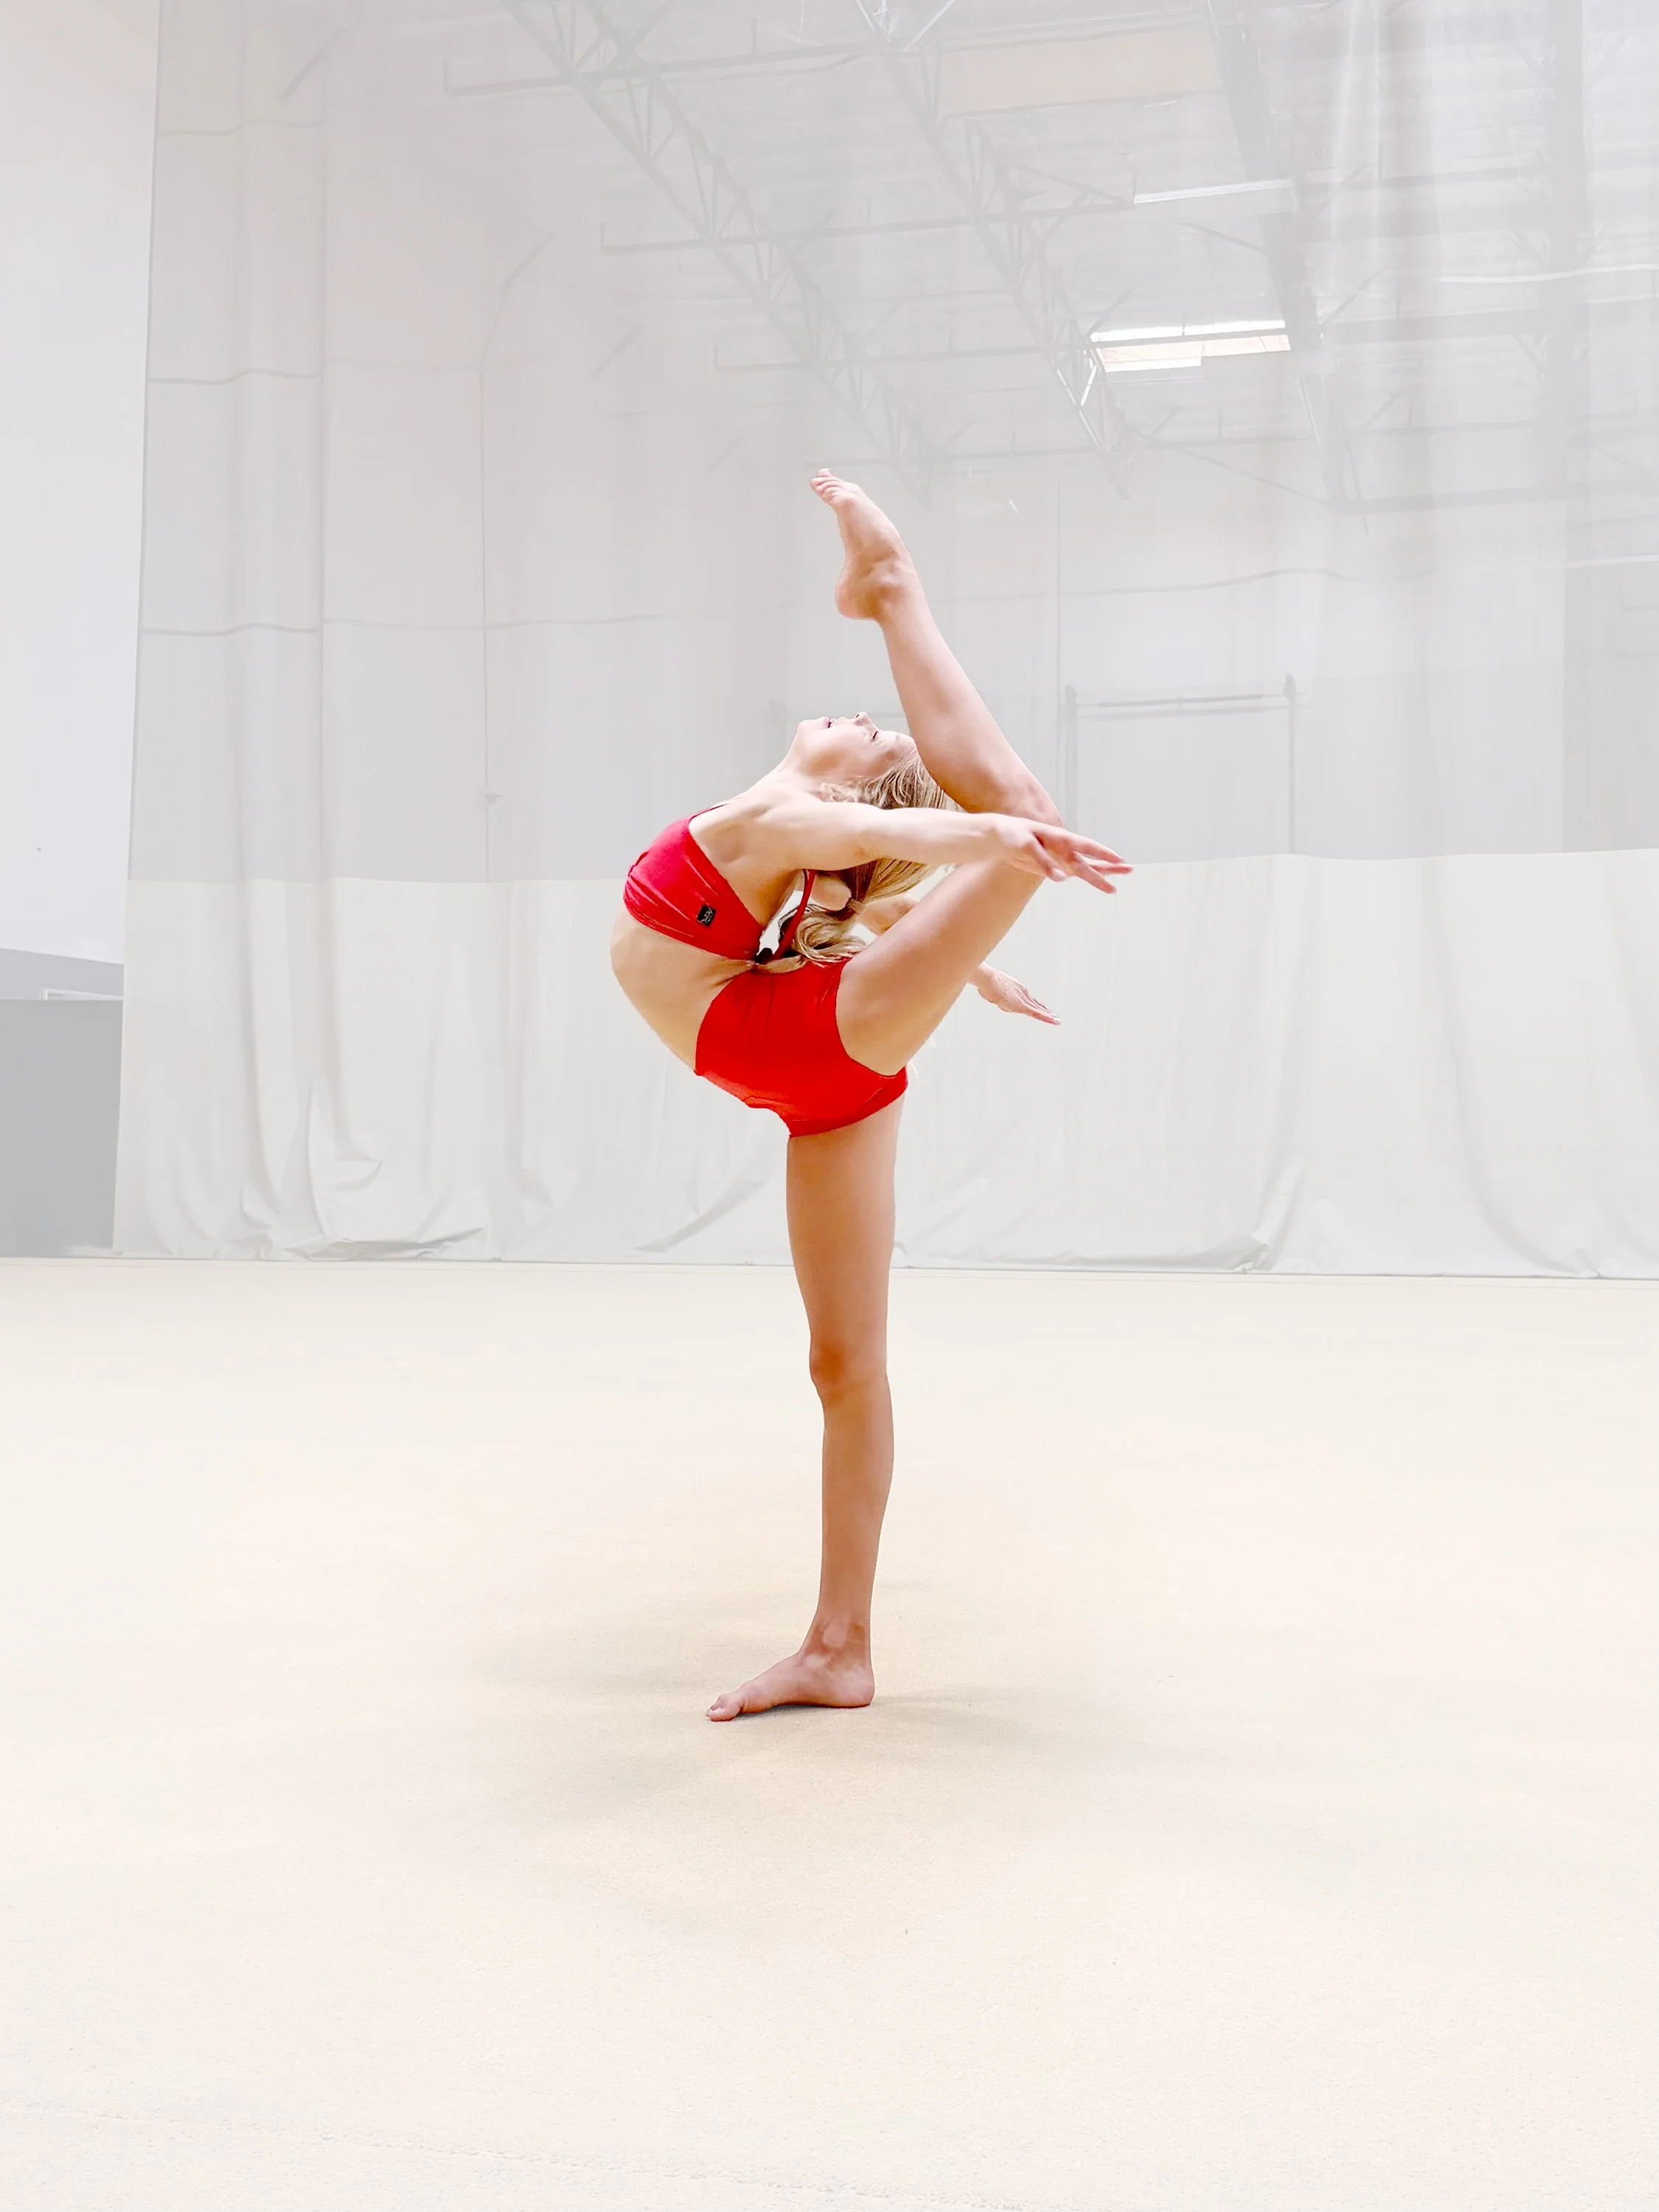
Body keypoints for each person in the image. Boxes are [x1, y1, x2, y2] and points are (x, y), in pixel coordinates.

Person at [611, 473, 1130, 1720]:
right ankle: (838, 1648)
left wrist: (988, 887)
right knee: (838, 1365)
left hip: (802, 1041)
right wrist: (982, 903)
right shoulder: (780, 834)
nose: (858, 721)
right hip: (808, 1053)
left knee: (1022, 818)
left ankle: (891, 588)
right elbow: (871, 878)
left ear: (845, 787)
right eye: (872, 722)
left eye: (872, 733)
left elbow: (884, 870)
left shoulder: (785, 822)